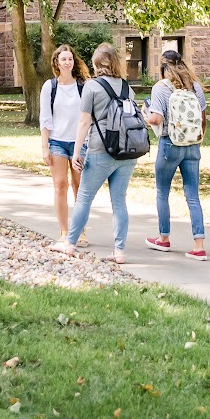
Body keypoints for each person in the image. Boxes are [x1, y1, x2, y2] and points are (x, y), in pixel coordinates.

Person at [52, 43, 141, 263]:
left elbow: (84, 122)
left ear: (96, 64)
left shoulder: (91, 87)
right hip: (126, 152)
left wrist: (76, 152)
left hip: (101, 150)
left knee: (84, 197)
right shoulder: (127, 88)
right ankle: (119, 251)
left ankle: (70, 244)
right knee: (119, 201)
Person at [144, 48, 208, 260]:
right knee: (192, 195)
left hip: (169, 144)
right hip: (192, 145)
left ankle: (163, 238)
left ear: (162, 66)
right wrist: (198, 140)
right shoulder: (195, 86)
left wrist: (145, 115)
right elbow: (202, 117)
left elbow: (156, 119)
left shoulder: (160, 88)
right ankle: (199, 245)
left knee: (163, 192)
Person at [39, 44, 87, 242]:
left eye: (70, 59)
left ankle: (81, 232)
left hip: (79, 143)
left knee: (79, 187)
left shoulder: (83, 85)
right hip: (57, 142)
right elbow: (45, 118)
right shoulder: (49, 87)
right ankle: (64, 231)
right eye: (63, 59)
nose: (67, 62)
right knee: (60, 185)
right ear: (57, 63)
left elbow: (88, 117)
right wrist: (44, 147)